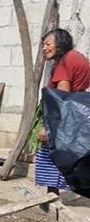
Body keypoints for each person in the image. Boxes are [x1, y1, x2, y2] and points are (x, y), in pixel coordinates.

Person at [35, 28, 90, 194]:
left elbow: (60, 98)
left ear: (60, 43)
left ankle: (50, 198)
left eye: (48, 44)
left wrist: (48, 127)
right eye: (43, 45)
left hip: (64, 119)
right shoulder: (78, 58)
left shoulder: (65, 62)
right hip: (76, 116)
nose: (44, 48)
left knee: (52, 156)